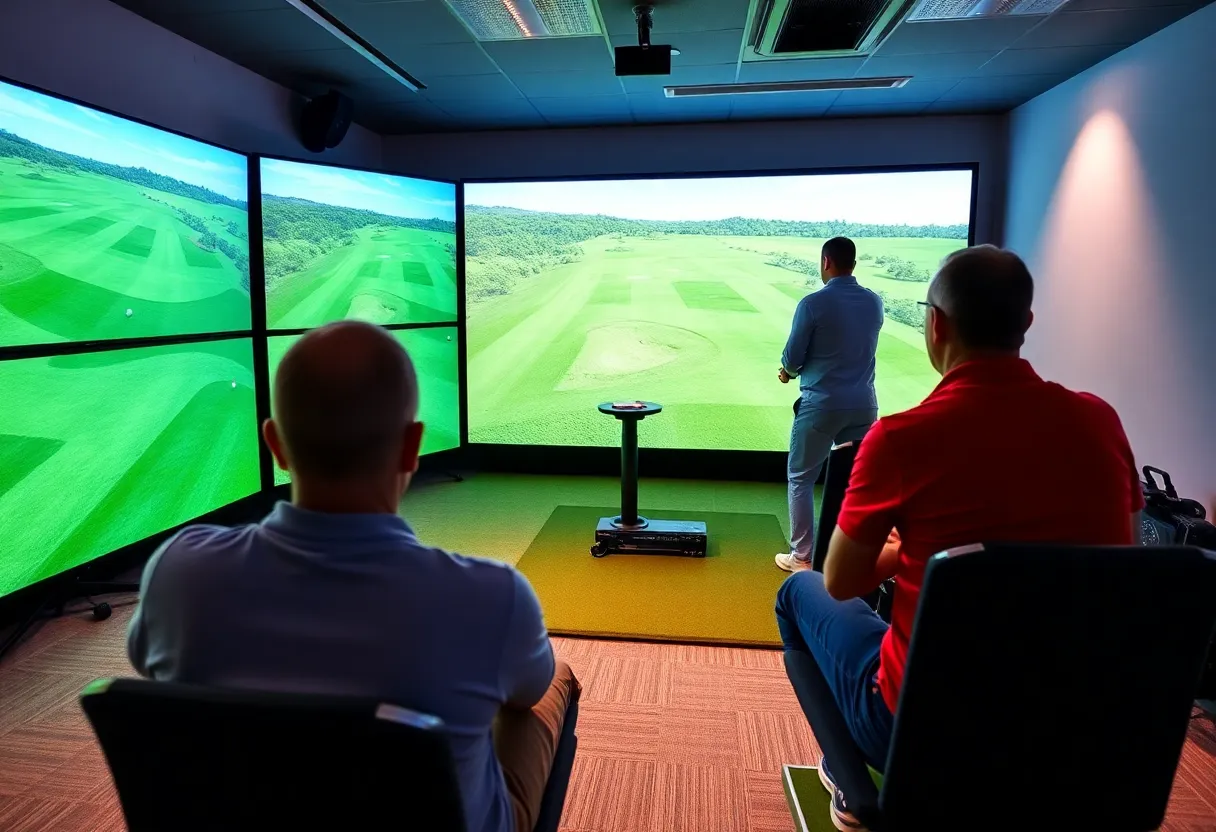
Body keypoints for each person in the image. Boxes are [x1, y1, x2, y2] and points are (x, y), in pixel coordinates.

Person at [127, 321, 579, 832]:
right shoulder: (494, 598)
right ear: (412, 447)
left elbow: (147, 664)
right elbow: (528, 691)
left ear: (275, 444)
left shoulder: (178, 572)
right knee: (551, 679)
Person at [775, 245, 1143, 832]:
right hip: (1071, 719)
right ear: (1025, 323)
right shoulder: (1101, 421)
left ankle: (857, 790)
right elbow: (1119, 559)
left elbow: (842, 581)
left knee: (798, 594)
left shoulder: (900, 440)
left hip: (923, 724)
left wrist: (902, 551)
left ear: (937, 324)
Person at [777, 236, 884, 573]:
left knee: (801, 477)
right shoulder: (874, 302)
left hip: (822, 405)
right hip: (864, 405)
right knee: (855, 481)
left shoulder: (812, 303)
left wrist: (787, 372)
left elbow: (794, 357)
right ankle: (846, 555)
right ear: (853, 263)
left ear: (826, 262)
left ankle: (803, 557)